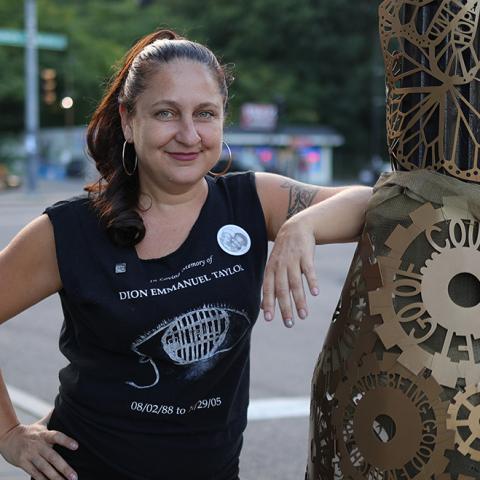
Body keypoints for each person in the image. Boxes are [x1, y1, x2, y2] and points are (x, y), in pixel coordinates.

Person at [0, 29, 371, 480]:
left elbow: (371, 203)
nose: (189, 134)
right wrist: (9, 435)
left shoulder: (253, 200)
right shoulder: (69, 231)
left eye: (206, 114)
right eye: (166, 113)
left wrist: (302, 225)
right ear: (128, 119)